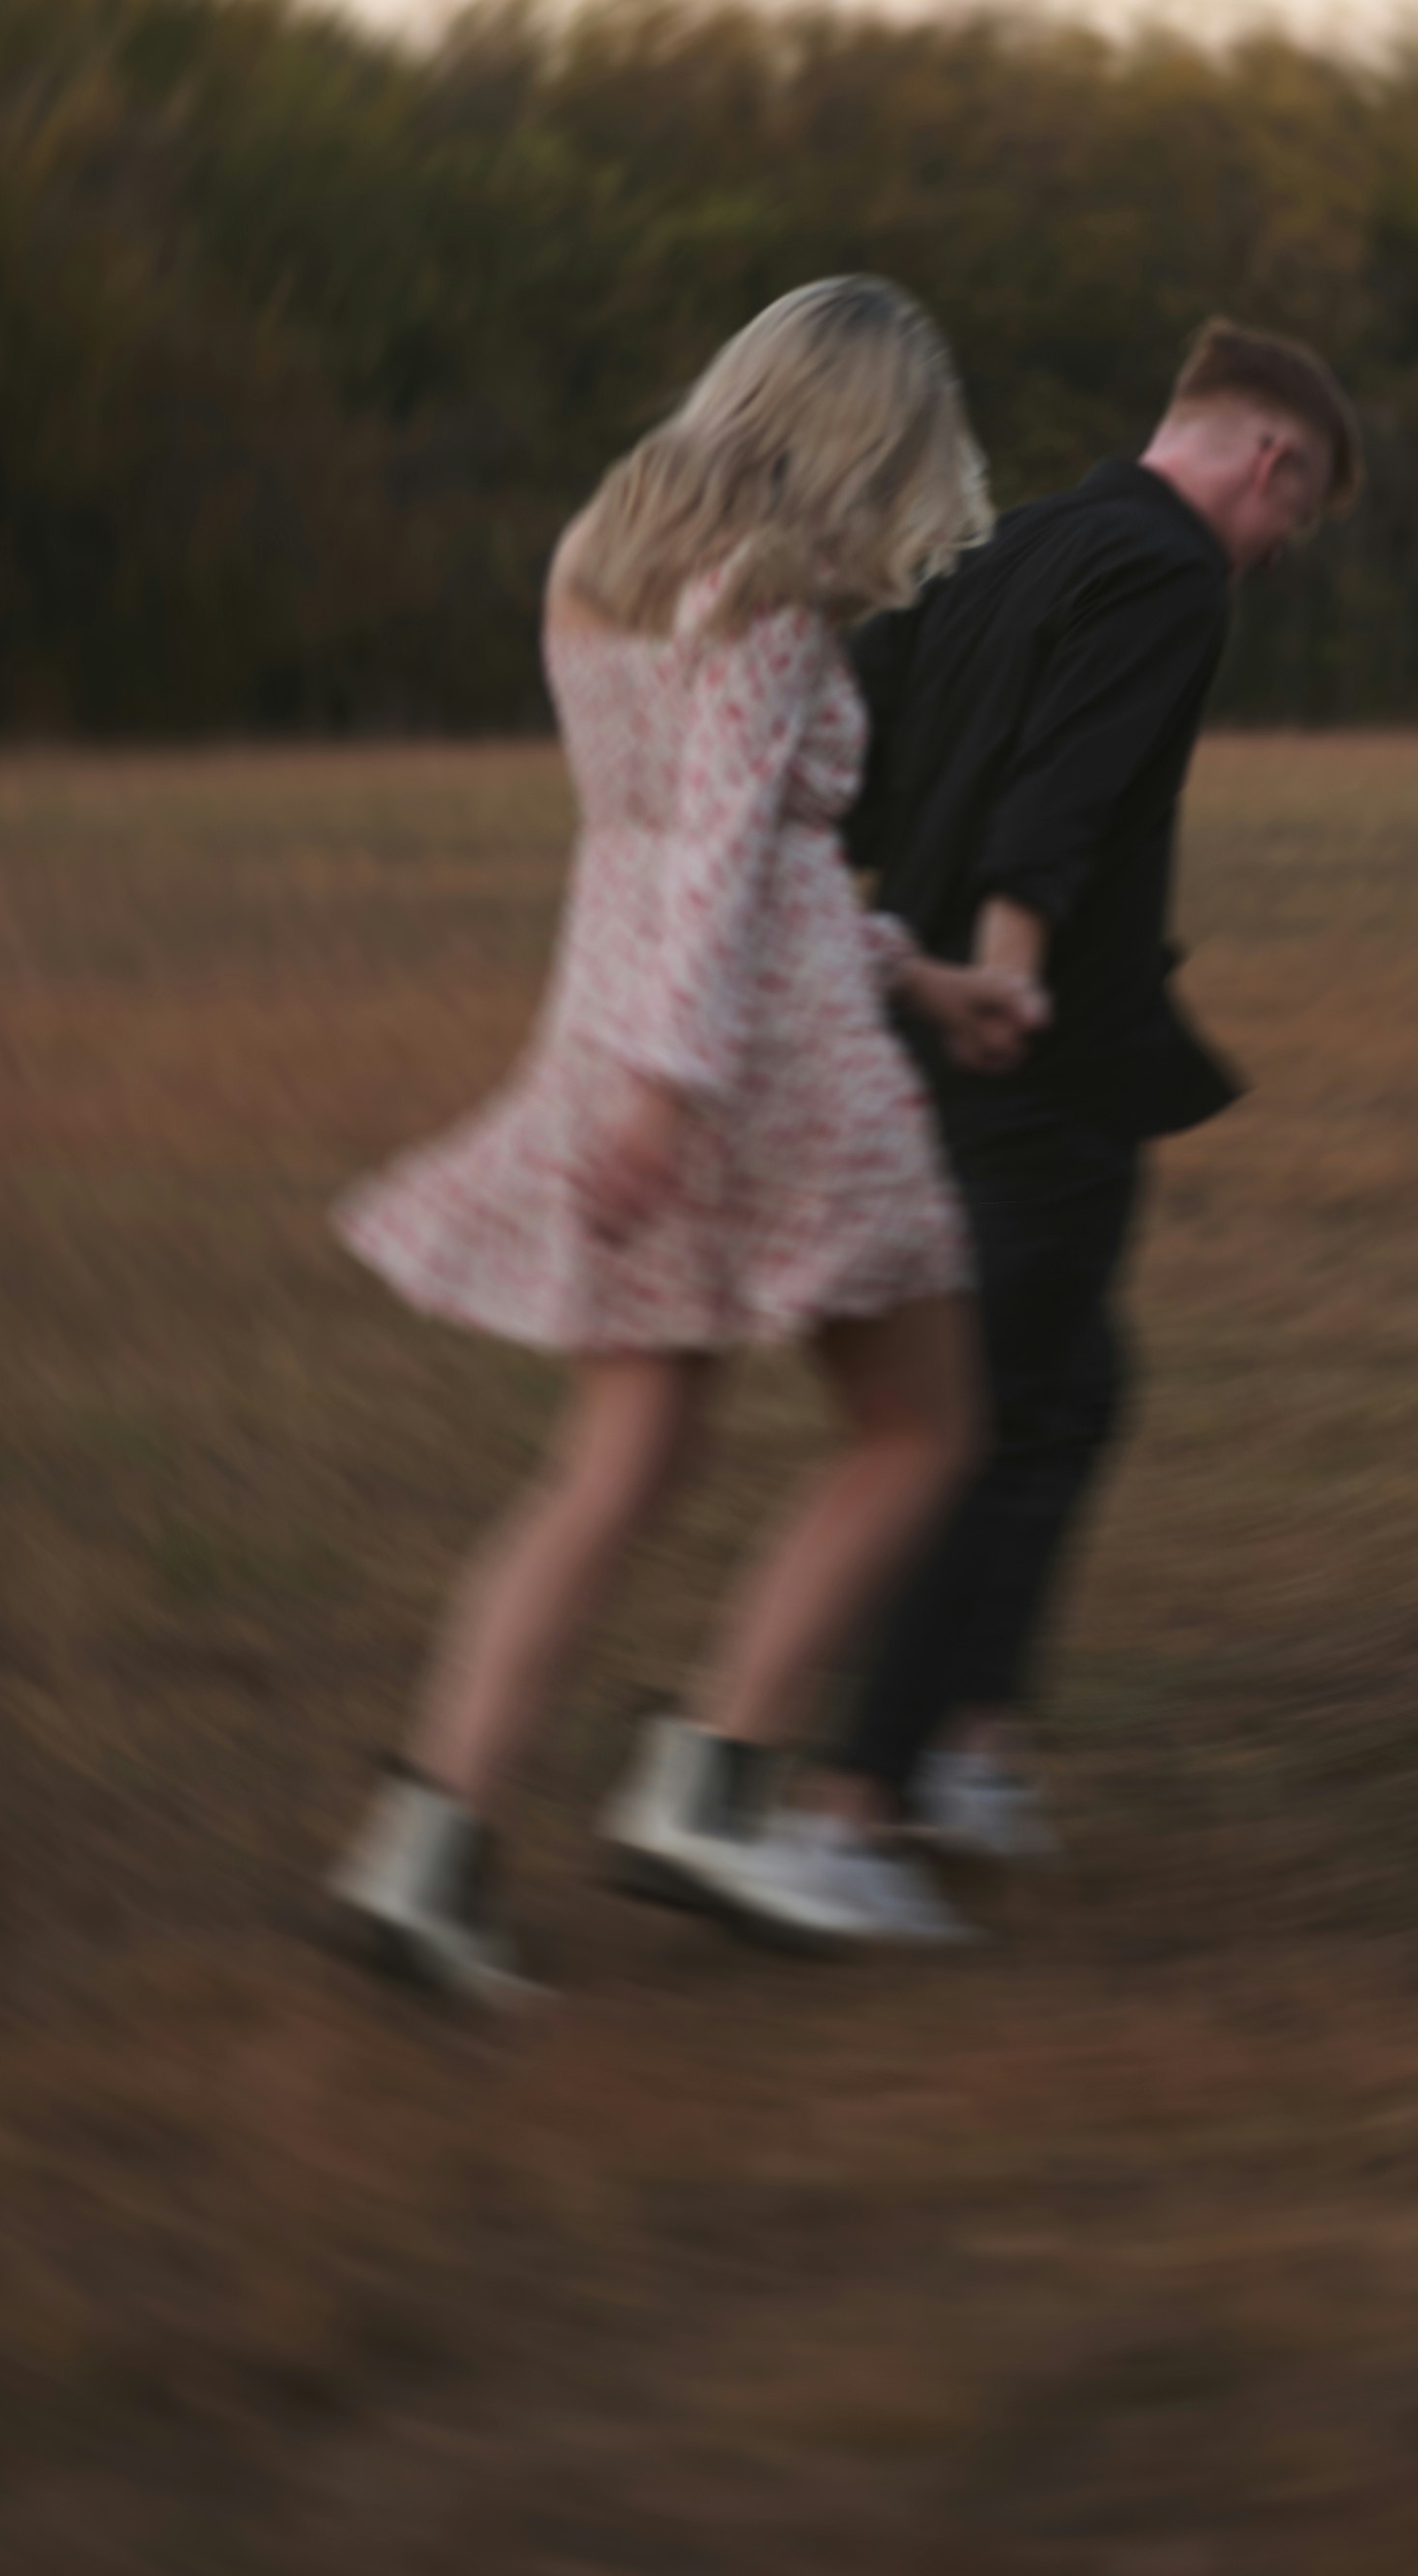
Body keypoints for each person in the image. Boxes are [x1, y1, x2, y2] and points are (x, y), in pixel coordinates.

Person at [323, 276, 1050, 2008]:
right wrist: (678, 1078)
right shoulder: (773, 595)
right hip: (749, 1067)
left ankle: (426, 1857)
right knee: (921, 1425)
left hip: (628, 1026)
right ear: (864, 433)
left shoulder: (606, 559)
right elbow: (730, 860)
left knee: (617, 1465)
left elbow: (678, 855)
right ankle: (708, 1781)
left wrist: (923, 980)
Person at [827, 321, 1355, 1869]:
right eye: (1293, 519)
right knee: (978, 1423)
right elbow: (1065, 787)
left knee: (1062, 1396)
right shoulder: (1172, 570)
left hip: (917, 1035)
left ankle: (968, 1738)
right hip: (1026, 1052)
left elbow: (854, 749)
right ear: (1267, 462)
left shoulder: (1006, 544)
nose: (1271, 555)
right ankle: (859, 1796)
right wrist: (1009, 969)